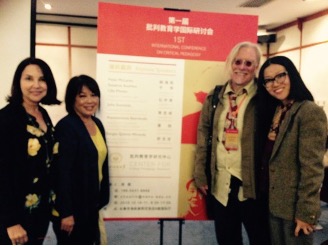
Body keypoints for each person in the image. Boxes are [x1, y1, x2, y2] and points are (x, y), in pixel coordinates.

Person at [193, 41, 270, 244]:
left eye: (249, 63)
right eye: (238, 61)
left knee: (261, 238)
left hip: (252, 185)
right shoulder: (215, 97)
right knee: (227, 239)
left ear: (256, 67)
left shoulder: (264, 98)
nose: (242, 67)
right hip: (221, 184)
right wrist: (200, 173)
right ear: (230, 63)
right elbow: (204, 136)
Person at [257, 56, 327, 244]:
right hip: (272, 202)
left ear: (292, 76)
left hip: (294, 207)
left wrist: (306, 212)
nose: (275, 84)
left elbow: (312, 169)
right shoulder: (276, 110)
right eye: (269, 80)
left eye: (280, 76)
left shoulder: (308, 112)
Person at [0, 57, 61, 244]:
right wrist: (10, 222)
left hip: (40, 211)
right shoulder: (7, 118)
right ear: (18, 82)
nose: (36, 85)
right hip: (15, 216)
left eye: (42, 79)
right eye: (28, 78)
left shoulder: (43, 114)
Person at [52, 75, 110, 244]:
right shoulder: (66, 127)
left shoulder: (97, 124)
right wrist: (66, 212)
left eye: (93, 95)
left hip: (91, 203)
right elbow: (62, 173)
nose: (90, 101)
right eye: (82, 96)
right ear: (72, 99)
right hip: (73, 210)